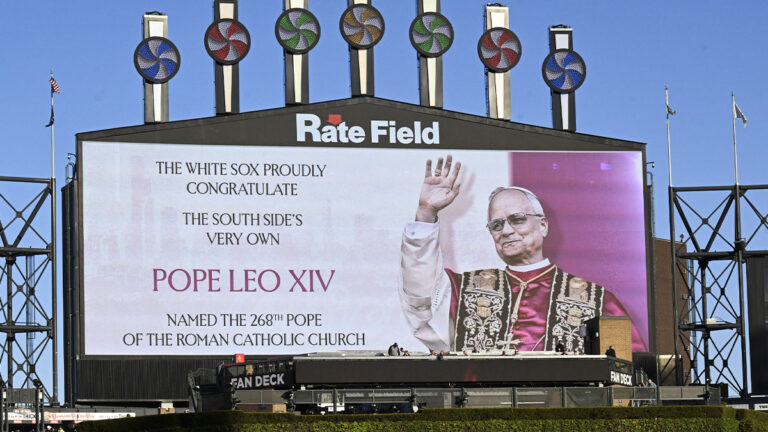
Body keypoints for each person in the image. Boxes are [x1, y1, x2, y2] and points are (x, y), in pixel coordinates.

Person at [399, 155, 647, 354]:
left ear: (543, 225)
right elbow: (420, 298)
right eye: (496, 225)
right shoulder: (465, 289)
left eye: (517, 219)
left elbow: (627, 371)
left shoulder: (597, 300)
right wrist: (425, 214)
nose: (506, 231)